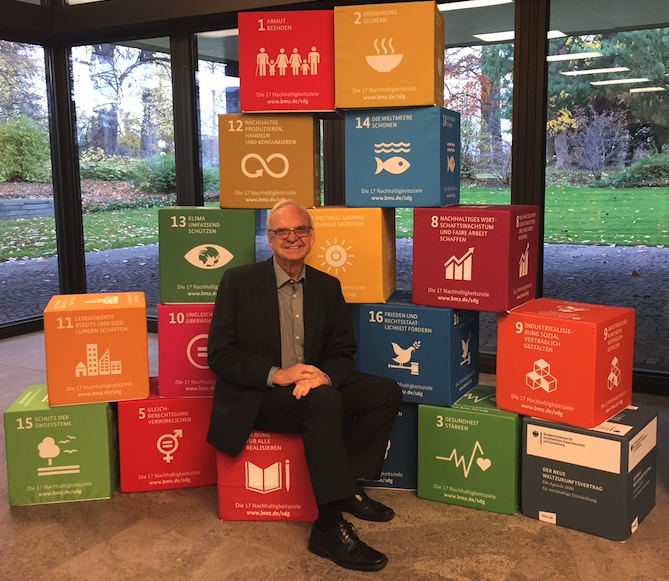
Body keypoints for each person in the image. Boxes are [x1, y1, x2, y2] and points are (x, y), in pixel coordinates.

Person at [207, 200, 402, 572]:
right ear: (269, 239)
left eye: (300, 230)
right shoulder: (239, 281)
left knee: (385, 391)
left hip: (312, 388)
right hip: (260, 397)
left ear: (312, 236)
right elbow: (219, 355)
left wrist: (321, 376)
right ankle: (328, 528)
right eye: (282, 231)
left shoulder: (327, 286)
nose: (292, 237)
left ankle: (346, 488)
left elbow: (344, 351)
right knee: (325, 401)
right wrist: (278, 374)